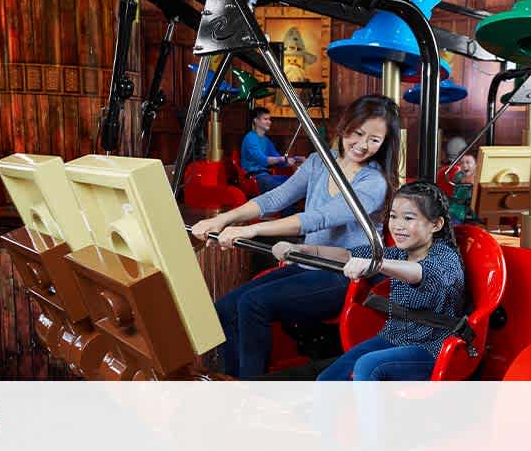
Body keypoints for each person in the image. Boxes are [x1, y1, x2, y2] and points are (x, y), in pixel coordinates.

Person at [190, 95, 401, 378]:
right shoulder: (318, 163)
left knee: (253, 304)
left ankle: (250, 392)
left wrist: (251, 228)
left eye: (374, 140)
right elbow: (276, 198)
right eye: (358, 133)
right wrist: (223, 218)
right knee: (225, 309)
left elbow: (318, 218)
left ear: (384, 144)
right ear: (345, 125)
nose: (363, 145)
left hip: (345, 275)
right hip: (309, 264)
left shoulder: (372, 182)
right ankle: (233, 382)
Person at [276, 182, 464, 381]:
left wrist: (377, 264)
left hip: (434, 347)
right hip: (394, 338)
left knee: (367, 366)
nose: (398, 225)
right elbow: (348, 255)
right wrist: (303, 250)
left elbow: (421, 273)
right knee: (327, 379)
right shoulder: (400, 254)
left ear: (436, 225)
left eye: (408, 218)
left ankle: (369, 413)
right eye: (393, 217)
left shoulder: (445, 257)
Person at [241, 107, 297, 193]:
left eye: (269, 119)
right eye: (265, 119)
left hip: (266, 176)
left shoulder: (267, 141)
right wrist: (281, 159)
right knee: (283, 191)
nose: (269, 122)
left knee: (296, 182)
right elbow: (262, 160)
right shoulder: (250, 138)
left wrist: (293, 161)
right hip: (254, 177)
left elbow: (279, 161)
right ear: (256, 121)